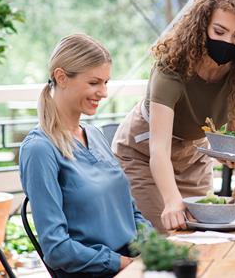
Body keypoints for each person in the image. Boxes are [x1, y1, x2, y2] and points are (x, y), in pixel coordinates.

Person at [112, 0, 235, 232]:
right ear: (203, 26)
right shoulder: (172, 66)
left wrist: (233, 155)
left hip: (194, 157)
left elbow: (233, 135)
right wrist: (171, 201)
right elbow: (158, 149)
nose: (228, 42)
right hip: (145, 154)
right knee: (164, 233)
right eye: (219, 31)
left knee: (203, 233)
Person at [19, 34, 152, 277]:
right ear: (61, 77)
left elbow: (131, 213)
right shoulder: (39, 149)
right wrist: (122, 264)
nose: (103, 92)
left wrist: (157, 247)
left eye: (106, 82)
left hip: (133, 266)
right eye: (94, 83)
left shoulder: (95, 134)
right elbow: (57, 249)